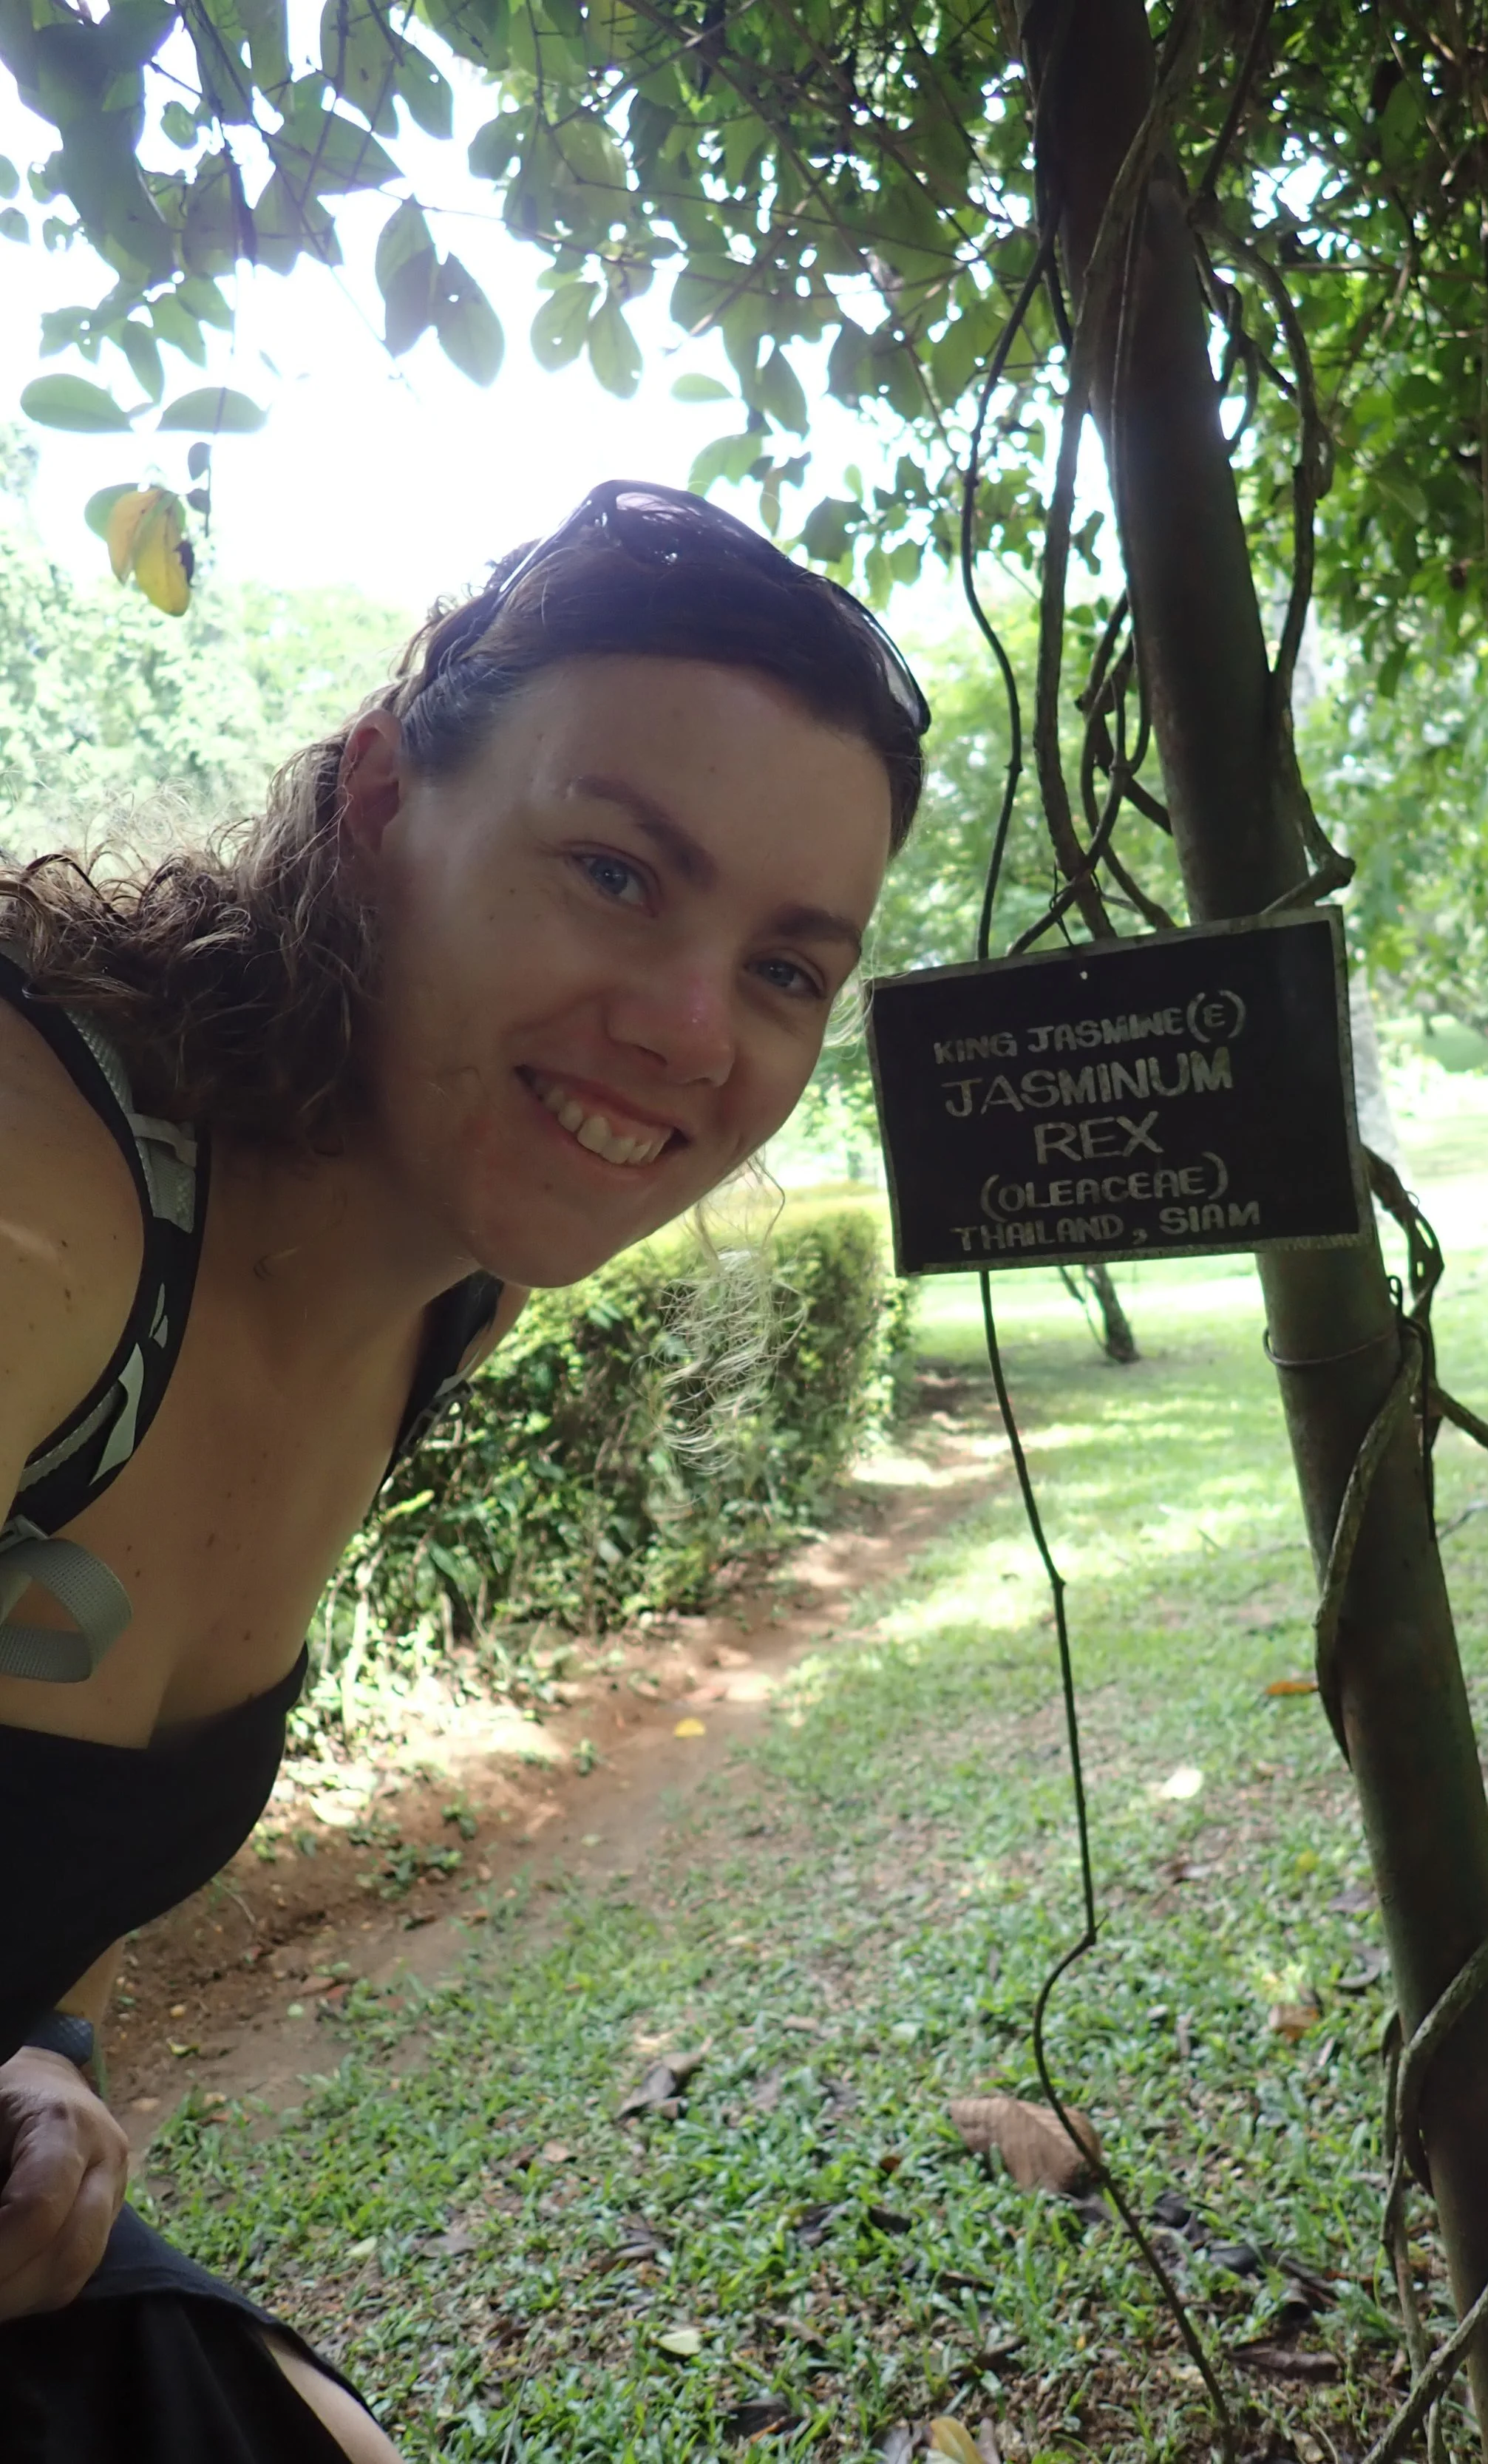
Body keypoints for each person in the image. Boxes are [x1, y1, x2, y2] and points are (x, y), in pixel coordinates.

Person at [0, 481, 927, 2461]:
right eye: (613, 871)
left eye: (787, 969)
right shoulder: (43, 1206)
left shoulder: (435, 1302)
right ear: (375, 802)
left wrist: (49, 2047)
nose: (692, 1031)